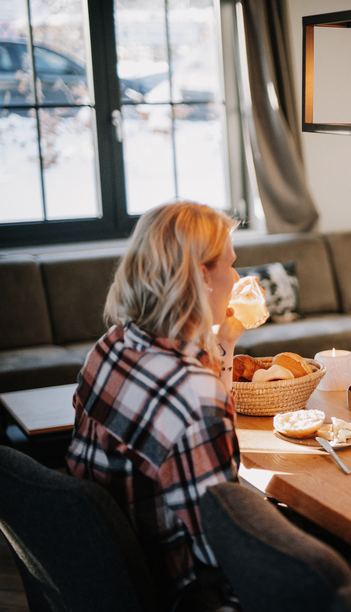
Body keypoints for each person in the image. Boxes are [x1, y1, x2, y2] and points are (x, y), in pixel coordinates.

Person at [67, 201, 244, 610]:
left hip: (104, 574)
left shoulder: (110, 346)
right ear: (202, 276)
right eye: (231, 265)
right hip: (182, 592)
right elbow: (224, 548)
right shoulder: (193, 394)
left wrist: (224, 342)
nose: (236, 278)